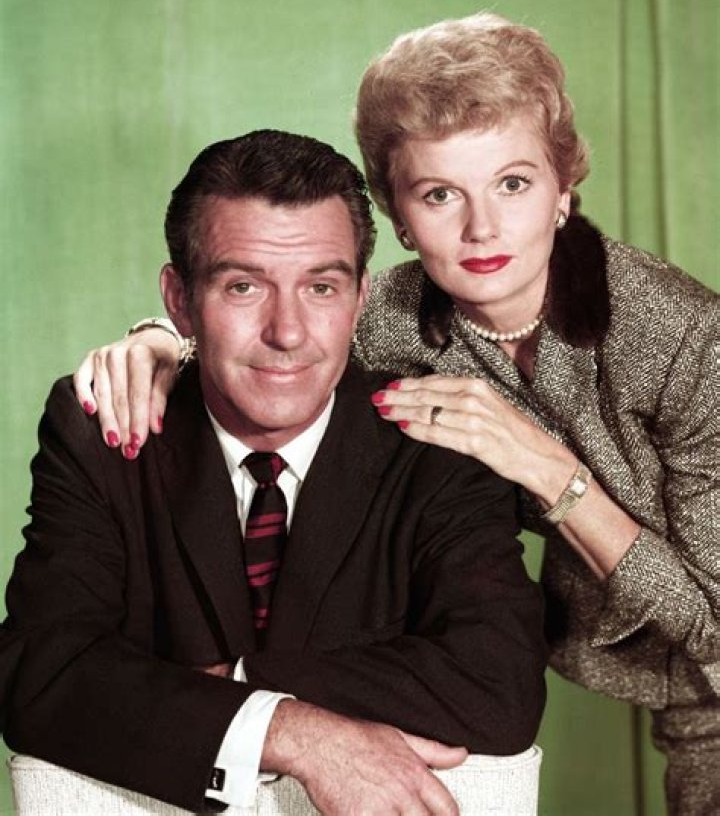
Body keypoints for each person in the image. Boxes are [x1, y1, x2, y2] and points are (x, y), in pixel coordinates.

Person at [73, 14, 720, 815]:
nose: (481, 228)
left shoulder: (683, 336)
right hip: (668, 697)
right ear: (399, 217)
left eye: (513, 184)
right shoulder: (390, 315)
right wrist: (160, 347)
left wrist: (548, 470)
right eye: (440, 194)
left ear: (564, 190)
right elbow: (274, 329)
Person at [0, 129, 547, 815]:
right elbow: (40, 673)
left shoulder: (438, 441)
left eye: (321, 287)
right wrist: (290, 731)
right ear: (179, 299)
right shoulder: (105, 432)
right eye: (243, 286)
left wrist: (231, 683)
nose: (287, 332)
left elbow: (499, 682)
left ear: (359, 297)